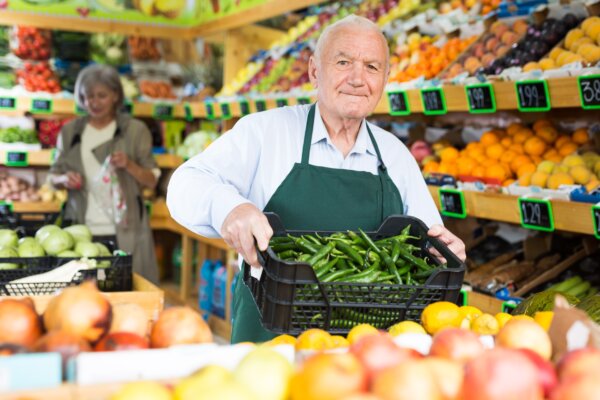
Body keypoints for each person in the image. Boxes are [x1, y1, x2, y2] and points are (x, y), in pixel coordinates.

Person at [167, 15, 466, 343]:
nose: (357, 78)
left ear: (385, 79)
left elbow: (427, 243)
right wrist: (230, 208)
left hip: (365, 354)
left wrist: (444, 253)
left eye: (371, 67)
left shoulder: (396, 156)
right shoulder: (266, 132)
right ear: (313, 72)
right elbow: (186, 182)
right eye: (343, 62)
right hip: (271, 343)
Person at [49, 64, 160, 283]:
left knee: (127, 289)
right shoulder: (70, 132)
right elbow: (52, 178)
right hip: (80, 231)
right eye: (88, 96)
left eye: (102, 95)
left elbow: (152, 180)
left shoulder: (135, 131)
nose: (94, 102)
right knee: (84, 297)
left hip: (125, 231)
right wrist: (64, 179)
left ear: (116, 96)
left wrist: (129, 165)